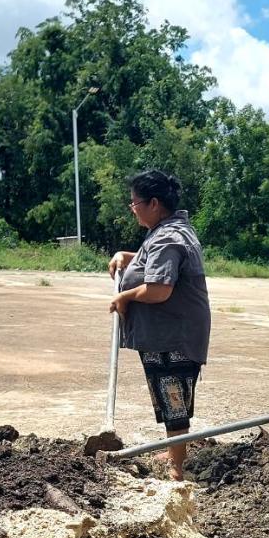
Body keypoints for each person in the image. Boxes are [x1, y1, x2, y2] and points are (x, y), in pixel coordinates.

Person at [107, 170, 211, 481]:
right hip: (166, 333)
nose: (132, 208)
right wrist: (126, 257)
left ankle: (176, 467)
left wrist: (124, 296)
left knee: (173, 397)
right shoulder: (164, 231)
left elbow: (158, 289)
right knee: (168, 396)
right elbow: (148, 260)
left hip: (173, 336)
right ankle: (173, 447)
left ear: (154, 203)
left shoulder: (168, 237)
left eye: (134, 203)